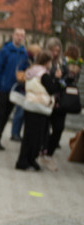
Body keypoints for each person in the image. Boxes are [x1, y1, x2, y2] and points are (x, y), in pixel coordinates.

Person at [16, 50, 57, 170]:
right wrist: (58, 80)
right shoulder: (43, 74)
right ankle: (27, 161)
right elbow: (52, 89)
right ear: (47, 62)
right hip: (39, 107)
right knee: (36, 137)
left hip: (30, 105)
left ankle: (25, 160)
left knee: (28, 135)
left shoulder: (31, 71)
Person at [0, 28, 28, 150]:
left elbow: (25, 70)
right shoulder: (5, 50)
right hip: (3, 88)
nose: (19, 37)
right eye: (17, 34)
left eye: (22, 35)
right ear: (13, 35)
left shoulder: (24, 53)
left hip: (15, 89)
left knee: (6, 115)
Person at [41, 37, 70, 166]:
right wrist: (54, 78)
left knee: (59, 128)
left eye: (58, 50)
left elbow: (66, 82)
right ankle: (42, 150)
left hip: (59, 101)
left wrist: (64, 78)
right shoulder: (43, 61)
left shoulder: (63, 63)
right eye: (53, 50)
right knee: (44, 128)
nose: (55, 53)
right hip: (45, 99)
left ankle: (49, 153)